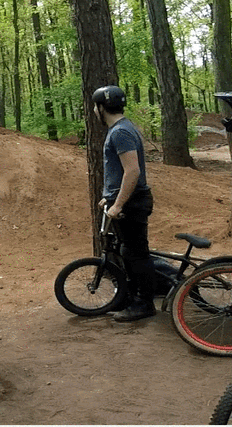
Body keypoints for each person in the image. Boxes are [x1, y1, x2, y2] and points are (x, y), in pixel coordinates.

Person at [92, 84, 161, 322]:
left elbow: (132, 171)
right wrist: (109, 196)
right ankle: (129, 297)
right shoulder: (122, 129)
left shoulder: (120, 132)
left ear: (101, 108)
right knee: (127, 251)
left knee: (136, 253)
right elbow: (120, 172)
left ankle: (144, 303)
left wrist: (118, 204)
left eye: (95, 106)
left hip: (133, 202)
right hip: (126, 199)